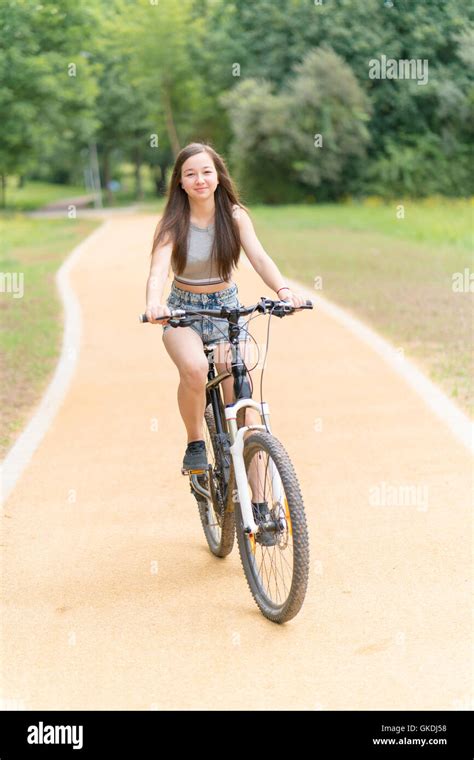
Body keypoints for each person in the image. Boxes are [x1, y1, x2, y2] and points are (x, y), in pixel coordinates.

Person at [145, 141, 307, 484]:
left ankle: (260, 505)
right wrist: (154, 303)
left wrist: (284, 291)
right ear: (180, 182)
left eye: (206, 171)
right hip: (181, 312)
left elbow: (259, 258)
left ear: (218, 176)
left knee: (242, 397)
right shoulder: (173, 222)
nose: (199, 179)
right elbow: (158, 269)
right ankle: (195, 441)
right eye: (190, 174)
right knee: (194, 368)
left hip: (226, 311)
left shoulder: (234, 216)